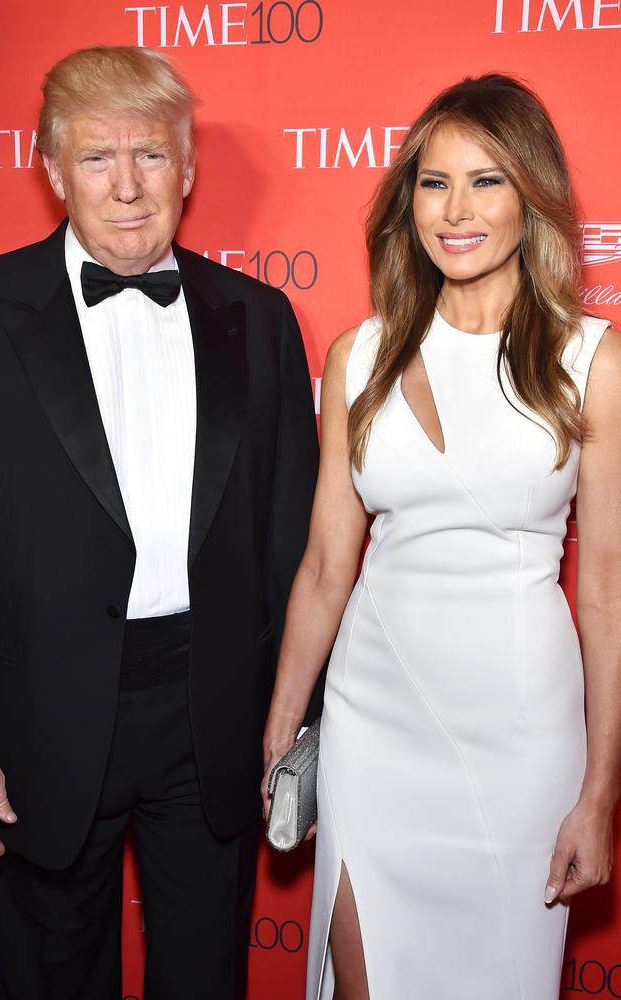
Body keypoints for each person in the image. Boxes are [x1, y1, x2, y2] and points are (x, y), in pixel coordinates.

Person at [262, 73, 621, 1000]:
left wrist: (599, 792)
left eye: (486, 181)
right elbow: (324, 566)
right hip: (373, 725)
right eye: (433, 182)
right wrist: (279, 729)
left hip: (522, 735)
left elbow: (608, 593)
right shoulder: (359, 354)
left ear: (531, 195)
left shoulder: (595, 359)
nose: (455, 210)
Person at [0, 45, 318, 1000]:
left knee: (206, 979)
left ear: (188, 168)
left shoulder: (260, 318)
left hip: (213, 720)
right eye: (96, 158)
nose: (127, 186)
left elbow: (297, 542)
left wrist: (294, 723)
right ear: (50, 169)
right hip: (30, 727)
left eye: (152, 156)